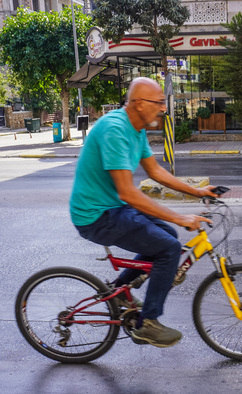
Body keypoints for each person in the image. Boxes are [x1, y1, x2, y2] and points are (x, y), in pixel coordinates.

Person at [70, 77, 218, 348]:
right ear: (138, 103)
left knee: (166, 235)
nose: (163, 108)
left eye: (164, 102)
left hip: (111, 206)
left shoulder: (136, 130)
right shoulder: (115, 129)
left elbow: (155, 171)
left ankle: (117, 292)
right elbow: (128, 193)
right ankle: (147, 323)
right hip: (95, 215)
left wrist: (197, 191)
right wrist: (181, 217)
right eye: (158, 102)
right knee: (169, 248)